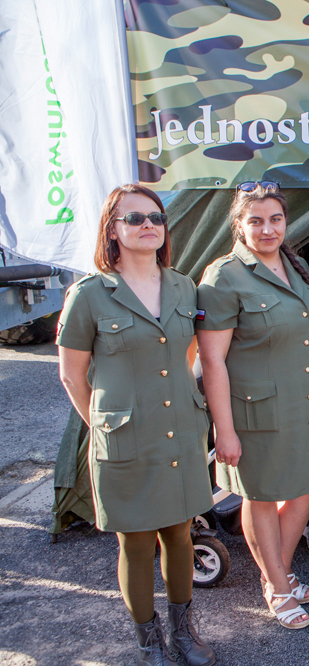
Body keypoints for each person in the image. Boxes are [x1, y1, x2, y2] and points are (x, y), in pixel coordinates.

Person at [57, 184, 216, 665]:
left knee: (180, 534)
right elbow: (72, 374)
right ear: (112, 230)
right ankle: (149, 642)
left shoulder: (184, 287)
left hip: (180, 430)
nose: (149, 225)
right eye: (134, 218)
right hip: (125, 438)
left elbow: (186, 353)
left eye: (156, 217)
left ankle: (183, 632)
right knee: (137, 542)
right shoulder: (89, 294)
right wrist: (105, 426)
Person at [197, 182, 309, 631]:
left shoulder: (296, 266)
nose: (267, 228)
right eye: (255, 220)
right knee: (260, 496)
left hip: (306, 403)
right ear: (239, 225)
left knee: (305, 490)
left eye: (275, 219)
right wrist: (224, 429)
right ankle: (277, 585)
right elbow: (212, 360)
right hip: (254, 412)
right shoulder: (223, 276)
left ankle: (279, 570)